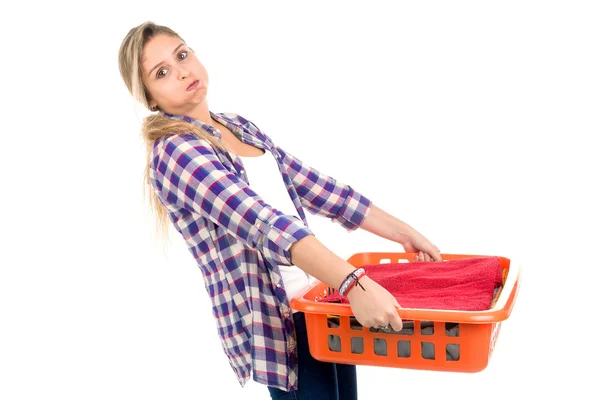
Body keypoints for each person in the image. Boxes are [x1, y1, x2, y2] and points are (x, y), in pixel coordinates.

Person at [118, 21, 442, 400]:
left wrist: (404, 233)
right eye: (162, 72)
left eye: (182, 54)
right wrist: (354, 282)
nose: (182, 71)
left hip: (321, 303)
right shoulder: (176, 153)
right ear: (151, 97)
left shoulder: (238, 127)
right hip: (282, 325)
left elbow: (319, 188)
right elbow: (265, 225)